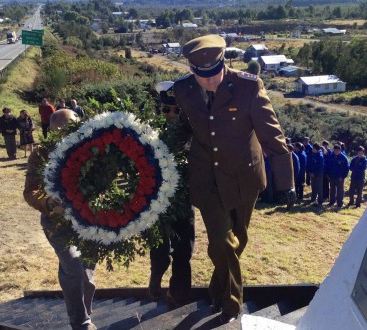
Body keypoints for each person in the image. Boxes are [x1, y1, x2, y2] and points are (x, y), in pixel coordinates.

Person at [172, 35, 295, 324]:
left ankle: (218, 286)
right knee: (222, 242)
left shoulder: (248, 86)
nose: (210, 82)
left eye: (214, 74)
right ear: (192, 70)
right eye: (203, 77)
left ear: (223, 64)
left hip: (244, 177)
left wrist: (286, 181)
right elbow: (181, 130)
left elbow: (271, 133)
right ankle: (230, 304)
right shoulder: (182, 90)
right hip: (206, 178)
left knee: (239, 238)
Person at [23, 109, 97, 330]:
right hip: (57, 223)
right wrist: (48, 204)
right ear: (52, 132)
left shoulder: (89, 150)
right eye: (63, 132)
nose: (69, 136)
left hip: (87, 223)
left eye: (73, 130)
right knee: (73, 267)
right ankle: (81, 322)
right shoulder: (41, 155)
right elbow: (30, 191)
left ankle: (83, 311)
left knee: (86, 274)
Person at [148, 81, 195, 308]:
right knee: (159, 250)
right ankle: (156, 277)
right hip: (156, 202)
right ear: (160, 109)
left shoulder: (192, 133)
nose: (172, 115)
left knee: (184, 250)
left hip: (183, 203)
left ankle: (178, 294)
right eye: (167, 110)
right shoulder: (149, 133)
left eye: (177, 110)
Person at [325, 144, 349, 208]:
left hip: (339, 178)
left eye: (337, 150)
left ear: (340, 150)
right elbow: (327, 166)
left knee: (340, 191)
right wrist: (327, 174)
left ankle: (339, 203)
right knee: (332, 190)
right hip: (331, 177)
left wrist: (343, 177)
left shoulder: (343, 158)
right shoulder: (330, 157)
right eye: (335, 150)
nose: (336, 152)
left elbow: (346, 168)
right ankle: (332, 202)